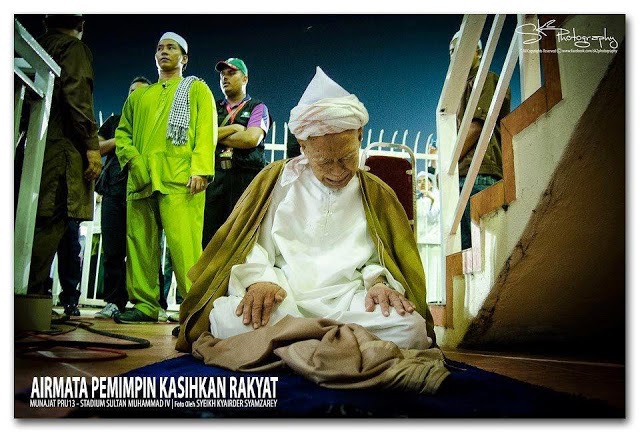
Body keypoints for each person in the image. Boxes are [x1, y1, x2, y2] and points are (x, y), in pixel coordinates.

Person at [176, 67, 436, 352]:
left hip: (350, 298)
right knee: (227, 320)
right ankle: (338, 344)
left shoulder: (376, 193)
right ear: (303, 146)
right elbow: (252, 246)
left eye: (347, 157)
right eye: (324, 161)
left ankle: (297, 343)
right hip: (283, 296)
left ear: (359, 136)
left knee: (410, 328)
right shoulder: (276, 181)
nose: (337, 171)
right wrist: (260, 281)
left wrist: (379, 283)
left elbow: (378, 259)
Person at [114, 32, 216, 323]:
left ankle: (195, 311)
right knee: (140, 244)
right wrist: (134, 161)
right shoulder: (139, 96)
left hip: (181, 179)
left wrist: (201, 169)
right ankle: (145, 305)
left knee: (185, 247)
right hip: (142, 179)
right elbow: (122, 134)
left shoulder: (196, 90)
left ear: (184, 58)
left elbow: (206, 130)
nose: (164, 52)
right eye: (160, 48)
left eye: (171, 48)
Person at [26, 14, 102, 299]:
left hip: (30, 146)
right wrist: (92, 145)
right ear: (81, 25)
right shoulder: (72, 48)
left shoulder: (34, 46)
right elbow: (77, 95)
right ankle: (29, 297)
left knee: (27, 219)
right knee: (51, 218)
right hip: (60, 150)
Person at [94, 76, 151, 318]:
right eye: (132, 91)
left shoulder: (153, 124)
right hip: (114, 191)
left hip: (143, 192)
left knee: (145, 249)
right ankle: (114, 301)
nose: (135, 96)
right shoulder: (114, 121)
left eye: (141, 92)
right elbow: (97, 148)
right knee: (112, 249)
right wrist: (122, 139)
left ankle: (149, 303)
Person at [450, 31, 511, 250]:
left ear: (477, 52)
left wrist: (449, 163)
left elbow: (477, 126)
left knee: (478, 251)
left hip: (479, 173)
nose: (454, 55)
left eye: (459, 49)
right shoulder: (459, 89)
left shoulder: (484, 78)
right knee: (468, 250)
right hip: (465, 173)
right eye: (451, 52)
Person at [202, 58, 271, 249]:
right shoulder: (212, 107)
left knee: (243, 242)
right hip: (214, 182)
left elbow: (251, 139)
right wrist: (234, 128)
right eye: (222, 75)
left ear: (245, 78)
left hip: (245, 181)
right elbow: (199, 137)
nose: (225, 78)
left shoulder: (257, 107)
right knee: (209, 241)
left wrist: (214, 136)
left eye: (231, 73)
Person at [416, 170, 442, 303]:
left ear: (431, 184)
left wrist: (432, 199)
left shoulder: (437, 197)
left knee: (434, 270)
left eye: (424, 181)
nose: (421, 184)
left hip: (433, 241)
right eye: (419, 181)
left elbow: (433, 217)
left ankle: (434, 298)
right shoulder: (418, 200)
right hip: (420, 241)